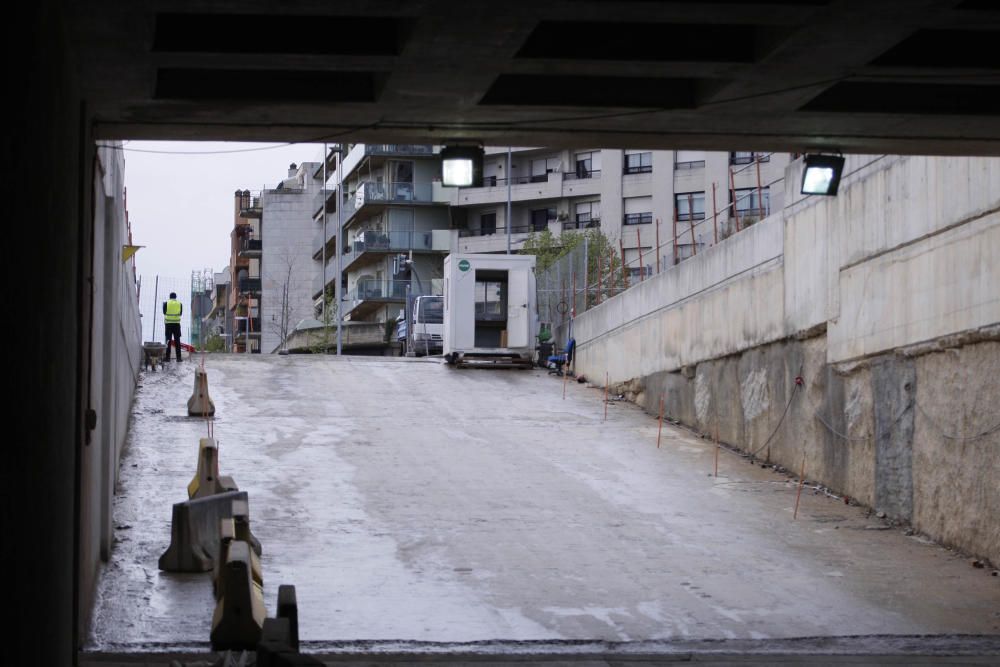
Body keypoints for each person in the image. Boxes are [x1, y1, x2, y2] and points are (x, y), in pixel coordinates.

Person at [163, 292, 183, 362]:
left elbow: (164, 312)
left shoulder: (166, 303)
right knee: (177, 341)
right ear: (175, 297)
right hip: (176, 324)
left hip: (168, 324)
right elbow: (180, 313)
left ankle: (167, 358)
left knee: (168, 341)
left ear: (170, 297)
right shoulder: (179, 304)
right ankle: (179, 358)